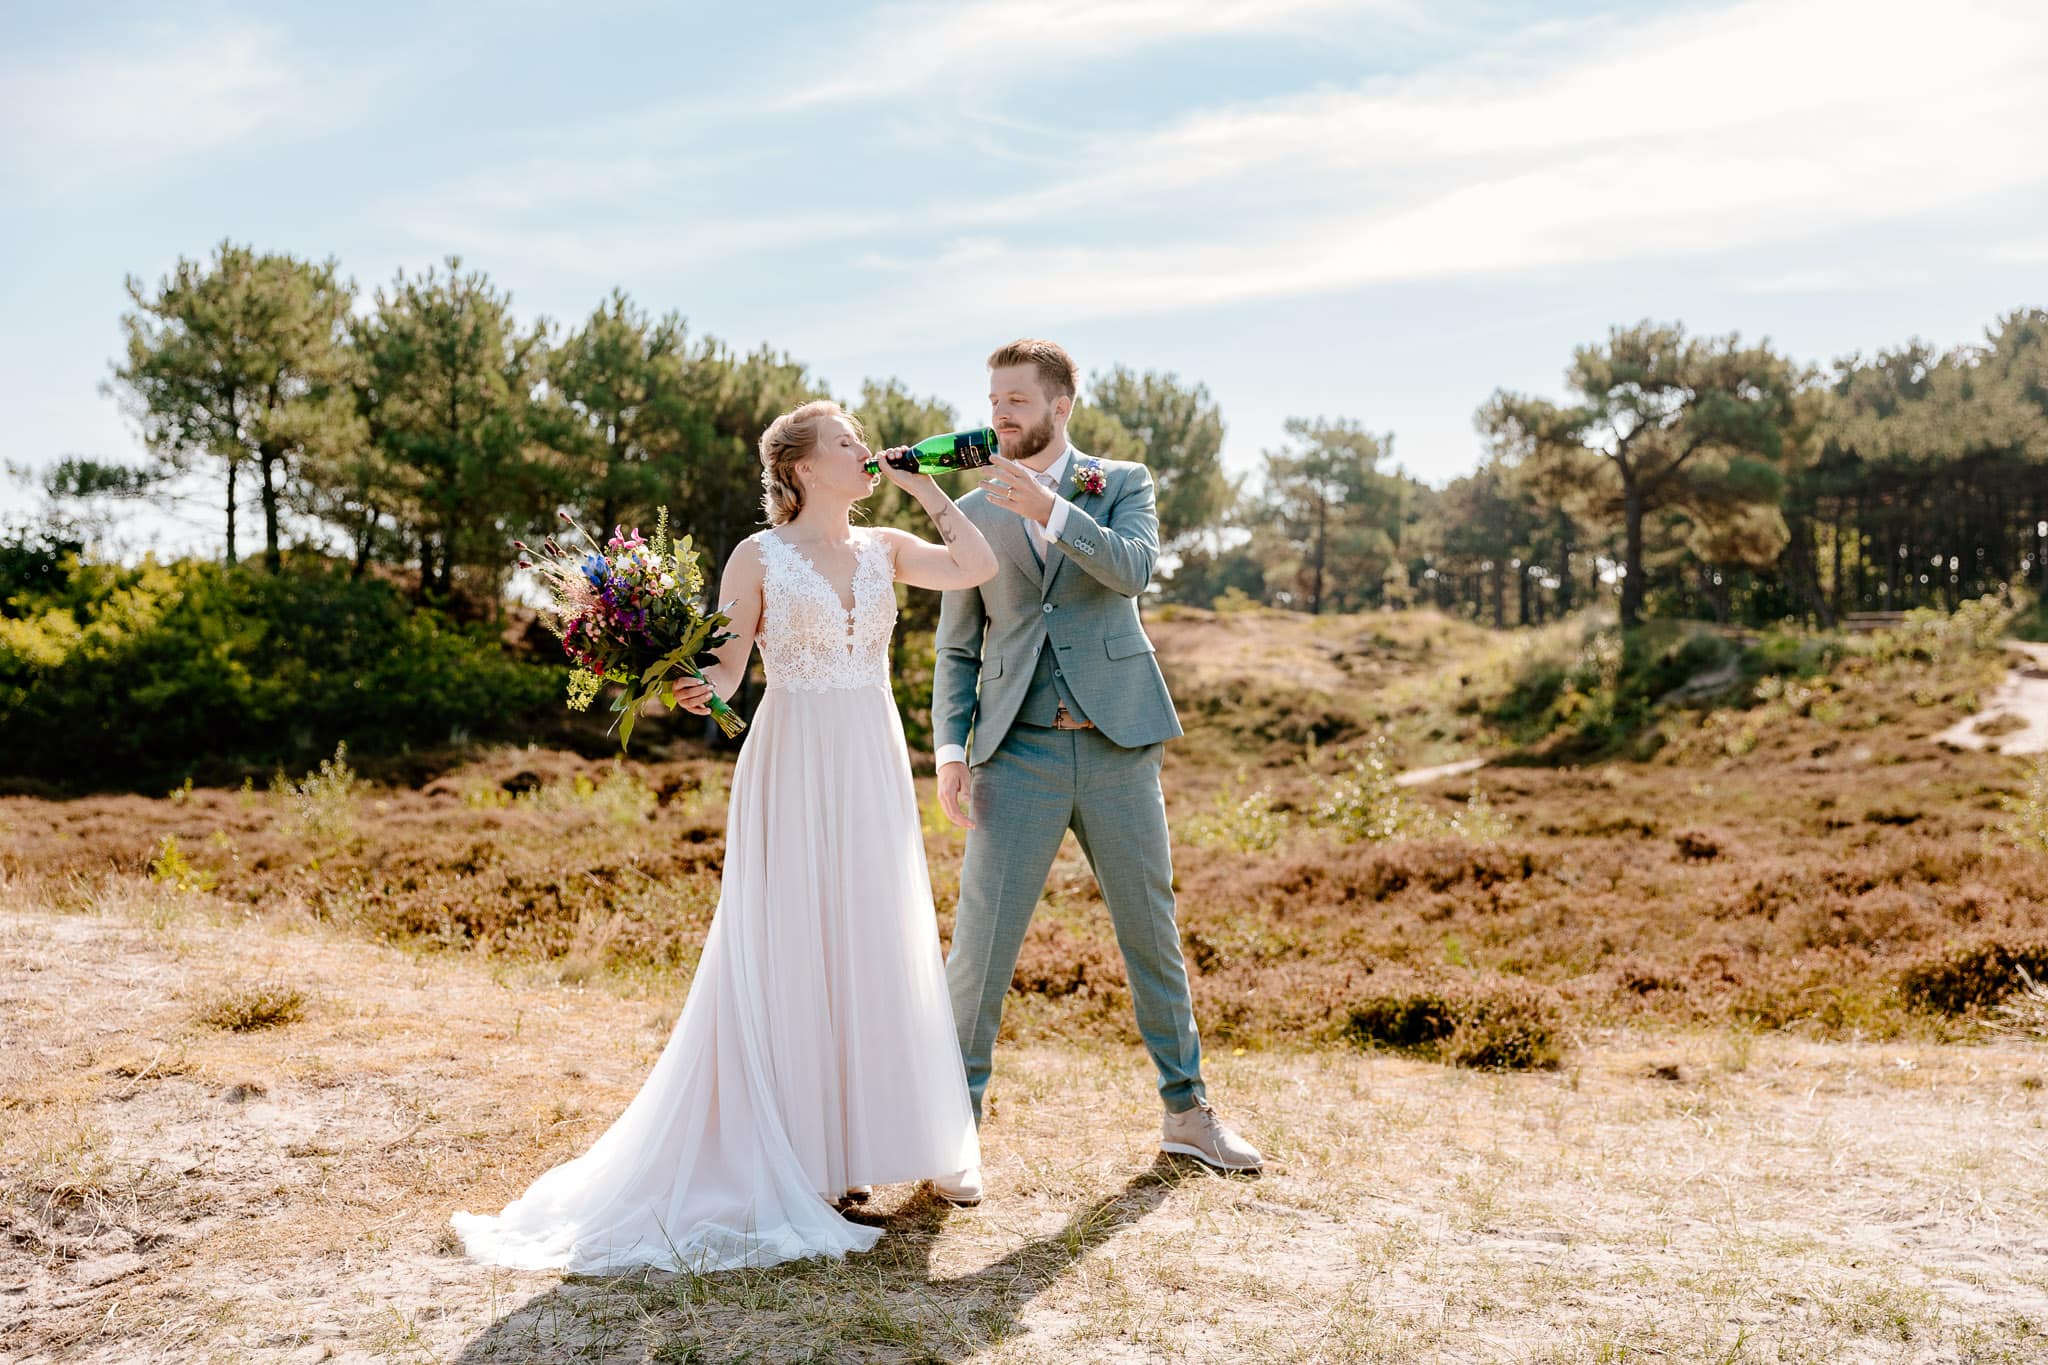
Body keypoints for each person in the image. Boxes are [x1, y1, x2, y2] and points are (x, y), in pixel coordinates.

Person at [451, 401, 999, 1273]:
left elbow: (976, 562)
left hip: (868, 754)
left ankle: (894, 1144)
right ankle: (809, 1160)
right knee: (795, 938)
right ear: (803, 468)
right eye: (849, 444)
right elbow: (732, 662)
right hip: (792, 757)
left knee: (874, 930)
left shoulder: (884, 546)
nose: (866, 451)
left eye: (864, 442)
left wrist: (925, 487)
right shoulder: (759, 556)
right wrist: (691, 684)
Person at [931, 340, 1263, 1201]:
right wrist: (951, 748)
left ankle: (1188, 1115)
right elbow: (958, 644)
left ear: (1059, 406)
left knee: (1151, 932)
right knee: (980, 949)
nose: (999, 415)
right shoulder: (969, 506)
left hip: (1118, 745)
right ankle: (955, 1129)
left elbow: (1133, 569)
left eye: (1017, 401)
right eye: (993, 399)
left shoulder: (1122, 483)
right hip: (1018, 750)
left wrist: (1050, 509)